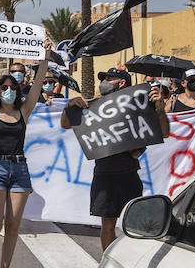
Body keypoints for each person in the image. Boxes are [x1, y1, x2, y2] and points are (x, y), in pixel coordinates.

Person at [62, 68, 172, 250]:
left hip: (128, 173)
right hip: (104, 174)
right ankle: (108, 263)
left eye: (109, 78)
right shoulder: (96, 106)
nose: (104, 80)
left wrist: (160, 110)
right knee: (107, 224)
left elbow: (165, 133)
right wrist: (69, 106)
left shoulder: (140, 105)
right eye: (104, 78)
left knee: (134, 224)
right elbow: (66, 124)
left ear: (122, 83)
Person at [0, 37, 51, 268]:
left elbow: (39, 83)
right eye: (4, 87)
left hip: (20, 169)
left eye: (12, 86)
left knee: (13, 225)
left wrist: (45, 57)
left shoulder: (24, 110)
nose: (8, 89)